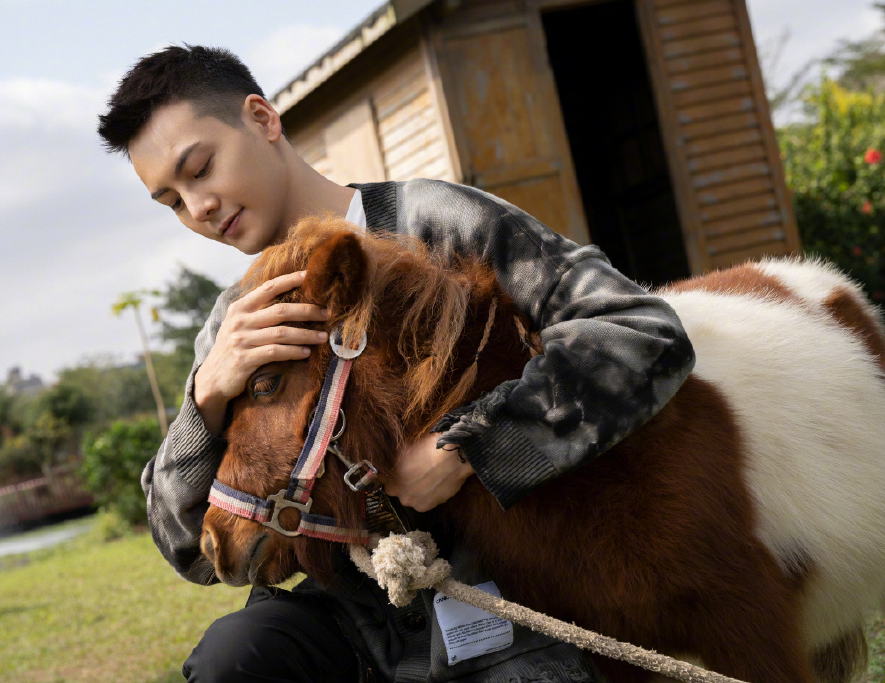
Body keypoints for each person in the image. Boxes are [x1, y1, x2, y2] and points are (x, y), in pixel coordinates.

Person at [97, 45, 695, 683]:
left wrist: (471, 447)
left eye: (201, 168)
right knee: (235, 657)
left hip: (501, 593)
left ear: (262, 118)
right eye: (172, 201)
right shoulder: (236, 322)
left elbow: (642, 333)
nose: (199, 208)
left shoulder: (437, 222)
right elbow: (190, 550)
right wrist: (207, 397)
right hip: (347, 616)